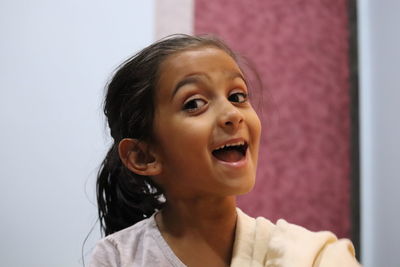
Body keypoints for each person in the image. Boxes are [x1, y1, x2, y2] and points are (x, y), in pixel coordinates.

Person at [90, 34, 361, 267]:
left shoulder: (315, 256)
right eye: (194, 103)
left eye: (237, 97)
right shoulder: (118, 257)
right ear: (143, 156)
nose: (232, 114)